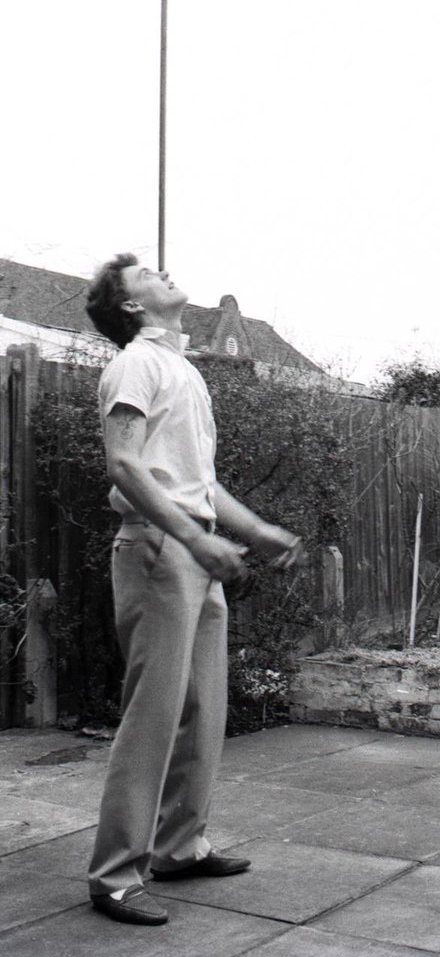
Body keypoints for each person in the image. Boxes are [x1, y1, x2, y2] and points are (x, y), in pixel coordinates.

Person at [85, 254, 304, 926]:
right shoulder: (135, 364)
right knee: (153, 712)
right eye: (146, 273)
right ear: (130, 307)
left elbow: (196, 480)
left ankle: (180, 845)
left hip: (193, 547)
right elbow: (125, 465)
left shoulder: (183, 369)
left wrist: (255, 530)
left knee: (203, 706)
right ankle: (115, 874)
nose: (162, 271)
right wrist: (192, 537)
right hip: (159, 550)